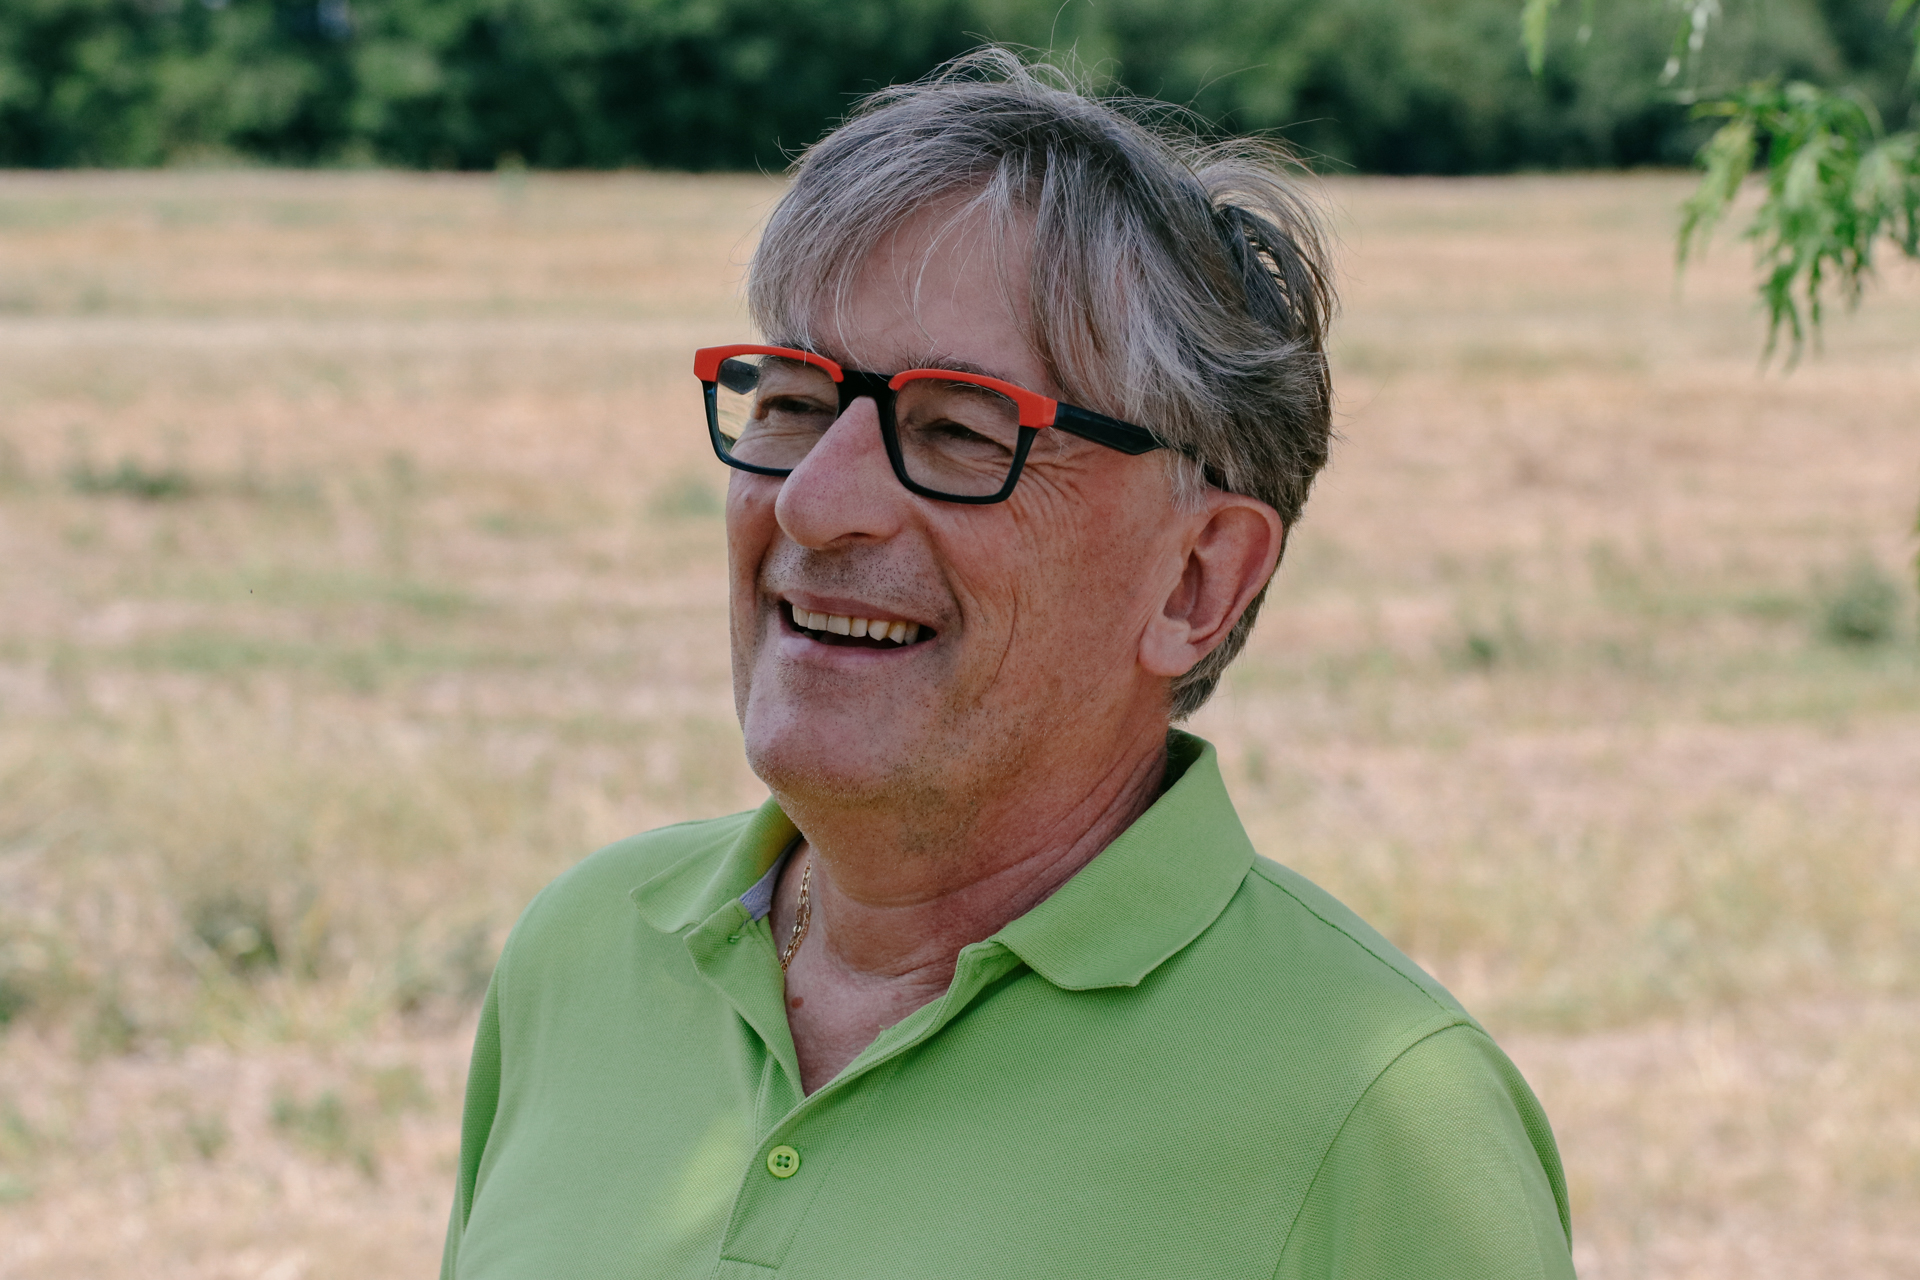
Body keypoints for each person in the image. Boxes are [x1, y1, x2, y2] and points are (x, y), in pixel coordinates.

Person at [439, 51, 1574, 1280]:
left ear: (1196, 579)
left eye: (959, 430)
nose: (817, 504)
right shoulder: (585, 953)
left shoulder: (1381, 1116)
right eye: (792, 402)